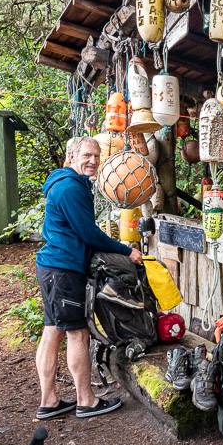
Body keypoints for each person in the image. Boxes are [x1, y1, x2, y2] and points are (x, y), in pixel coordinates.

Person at [34, 137, 142, 420]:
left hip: (52, 268)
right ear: (71, 155)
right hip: (64, 270)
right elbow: (88, 233)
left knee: (52, 331)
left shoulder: (64, 183)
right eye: (86, 155)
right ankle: (87, 400)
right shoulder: (70, 188)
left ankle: (50, 400)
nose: (93, 161)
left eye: (96, 155)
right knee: (77, 333)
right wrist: (125, 250)